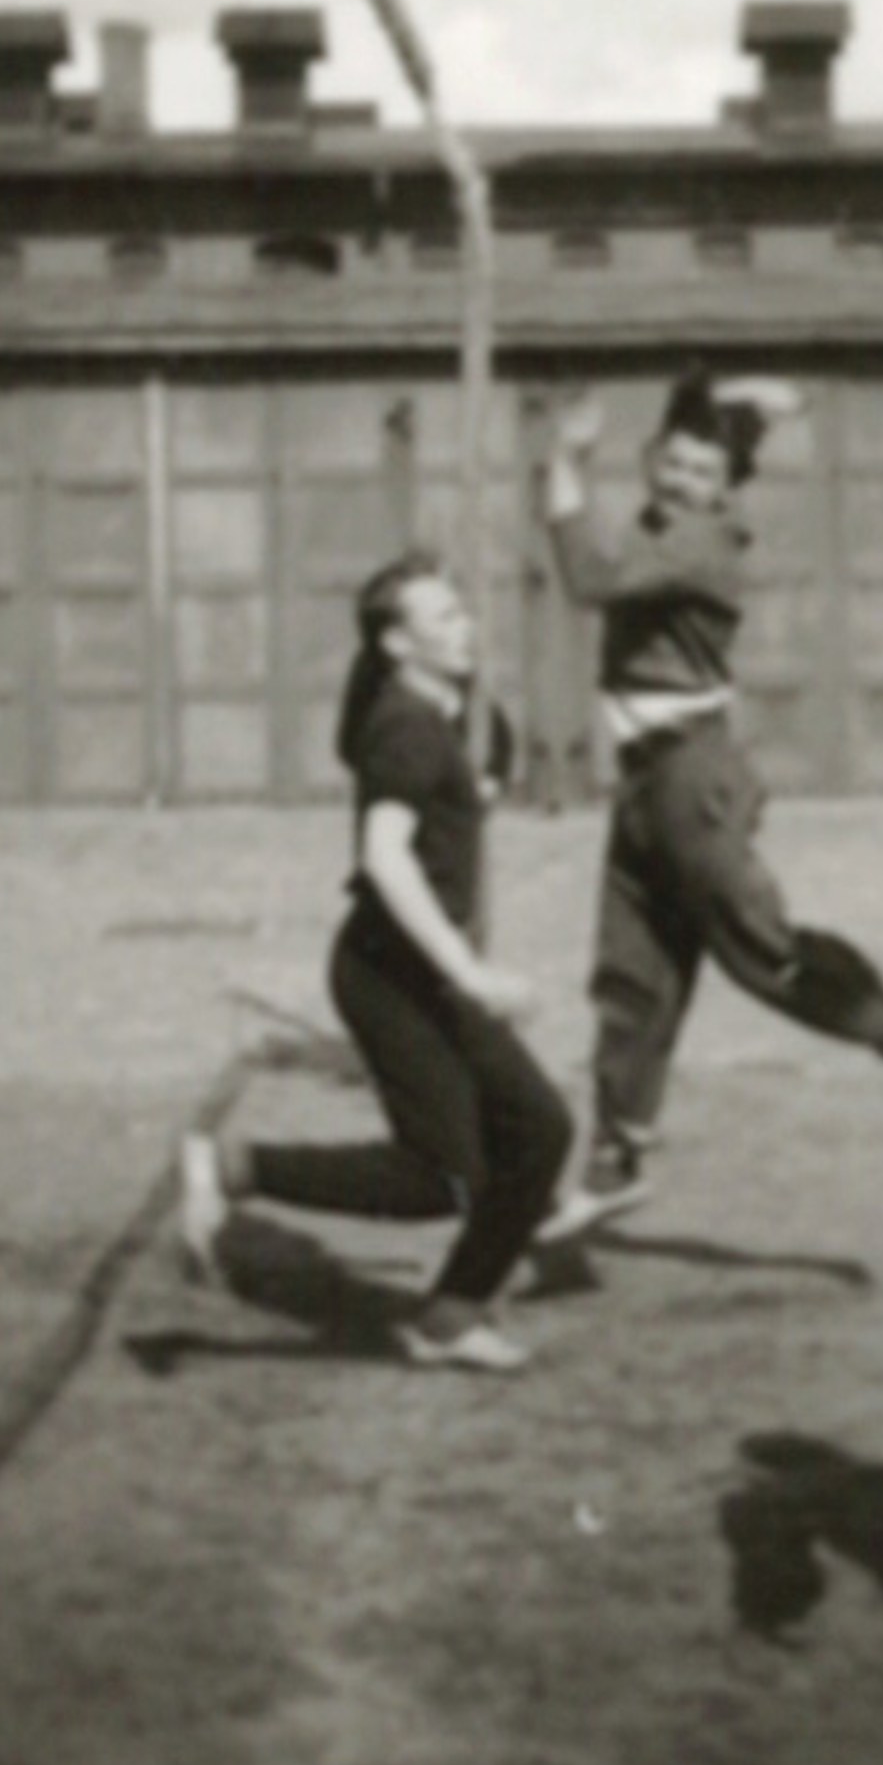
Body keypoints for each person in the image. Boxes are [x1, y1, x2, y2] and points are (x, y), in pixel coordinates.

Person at [539, 367, 883, 1241]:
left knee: (762, 955)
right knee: (630, 973)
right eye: (672, 463)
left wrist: (561, 462)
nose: (680, 482)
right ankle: (615, 1159)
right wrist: (738, 401)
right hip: (645, 782)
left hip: (689, 778)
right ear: (651, 458)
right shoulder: (664, 522)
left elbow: (586, 577)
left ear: (725, 489)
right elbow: (693, 434)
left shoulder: (698, 542)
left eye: (702, 473)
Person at [178, 552, 573, 1374]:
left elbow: (472, 778)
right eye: (443, 618)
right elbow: (385, 857)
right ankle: (232, 1166)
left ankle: (450, 1316)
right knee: (444, 1176)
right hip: (389, 974)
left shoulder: (453, 712)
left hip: (422, 969)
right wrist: (470, 973)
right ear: (397, 643)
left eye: (462, 611)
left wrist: (481, 780)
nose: (465, 627)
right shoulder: (404, 727)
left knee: (538, 1131)